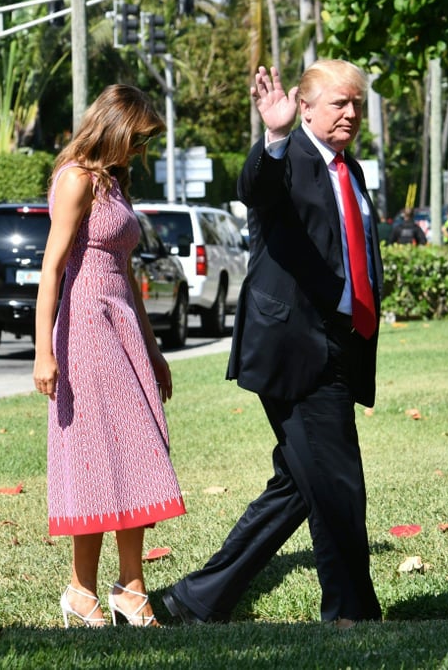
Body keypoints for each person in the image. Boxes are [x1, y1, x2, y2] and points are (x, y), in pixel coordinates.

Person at [163, 60, 383, 628]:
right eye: (339, 103)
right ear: (305, 107)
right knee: (337, 482)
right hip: (295, 350)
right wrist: (277, 135)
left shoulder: (349, 168)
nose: (351, 114)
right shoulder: (288, 159)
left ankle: (198, 600)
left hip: (340, 343)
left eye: (357, 103)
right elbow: (255, 186)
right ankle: (349, 614)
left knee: (298, 483)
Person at [32, 84, 185, 629]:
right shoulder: (76, 180)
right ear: (115, 128)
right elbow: (52, 269)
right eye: (137, 140)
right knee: (95, 455)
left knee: (138, 448)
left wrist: (155, 349)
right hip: (86, 330)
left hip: (120, 326)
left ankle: (129, 586)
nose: (140, 152)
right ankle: (82, 589)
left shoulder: (113, 183)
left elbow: (125, 277)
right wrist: (42, 351)